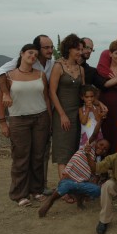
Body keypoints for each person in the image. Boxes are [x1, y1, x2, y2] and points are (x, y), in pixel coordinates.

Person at [0, 34, 55, 195]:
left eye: (35, 54)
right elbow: (0, 100)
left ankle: (36, 190)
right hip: (19, 120)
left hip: (40, 118)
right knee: (21, 158)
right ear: (21, 53)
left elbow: (46, 99)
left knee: (37, 157)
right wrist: (2, 122)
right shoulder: (8, 76)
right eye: (30, 53)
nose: (33, 56)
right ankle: (19, 193)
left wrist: (49, 121)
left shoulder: (41, 74)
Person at [38, 123, 110, 217]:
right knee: (65, 186)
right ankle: (50, 201)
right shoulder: (87, 148)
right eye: (101, 145)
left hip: (81, 184)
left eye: (105, 149)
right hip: (69, 180)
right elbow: (95, 134)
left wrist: (92, 188)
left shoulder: (97, 164)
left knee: (96, 190)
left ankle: (79, 201)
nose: (102, 148)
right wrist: (100, 119)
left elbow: (95, 178)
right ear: (95, 143)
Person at [50, 34, 85, 182]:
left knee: (74, 150)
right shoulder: (58, 66)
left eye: (81, 49)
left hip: (77, 114)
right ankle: (64, 189)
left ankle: (72, 185)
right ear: (69, 49)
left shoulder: (81, 69)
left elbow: (84, 92)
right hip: (62, 114)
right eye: (77, 49)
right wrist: (62, 114)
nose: (80, 52)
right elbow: (52, 92)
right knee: (63, 152)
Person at [79, 85, 104, 149]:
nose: (89, 99)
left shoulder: (97, 108)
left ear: (94, 97)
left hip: (97, 135)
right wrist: (87, 110)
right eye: (87, 97)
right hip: (86, 136)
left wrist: (93, 109)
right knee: (86, 152)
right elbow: (83, 122)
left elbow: (99, 120)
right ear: (82, 97)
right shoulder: (81, 109)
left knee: (97, 152)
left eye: (91, 96)